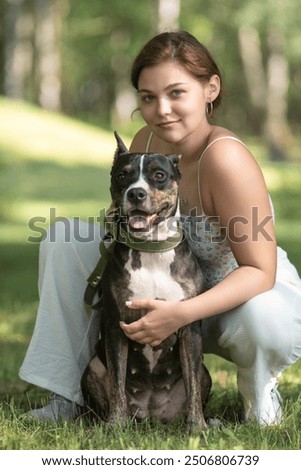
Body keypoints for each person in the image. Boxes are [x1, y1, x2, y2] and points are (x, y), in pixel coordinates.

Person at [20, 31, 301, 425]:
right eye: (148, 97)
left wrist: (180, 314)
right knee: (63, 238)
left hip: (236, 301)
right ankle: (68, 394)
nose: (162, 109)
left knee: (263, 315)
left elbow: (260, 271)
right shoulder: (146, 141)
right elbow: (116, 221)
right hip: (166, 285)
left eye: (176, 93)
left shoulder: (226, 159)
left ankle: (259, 395)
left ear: (210, 89)